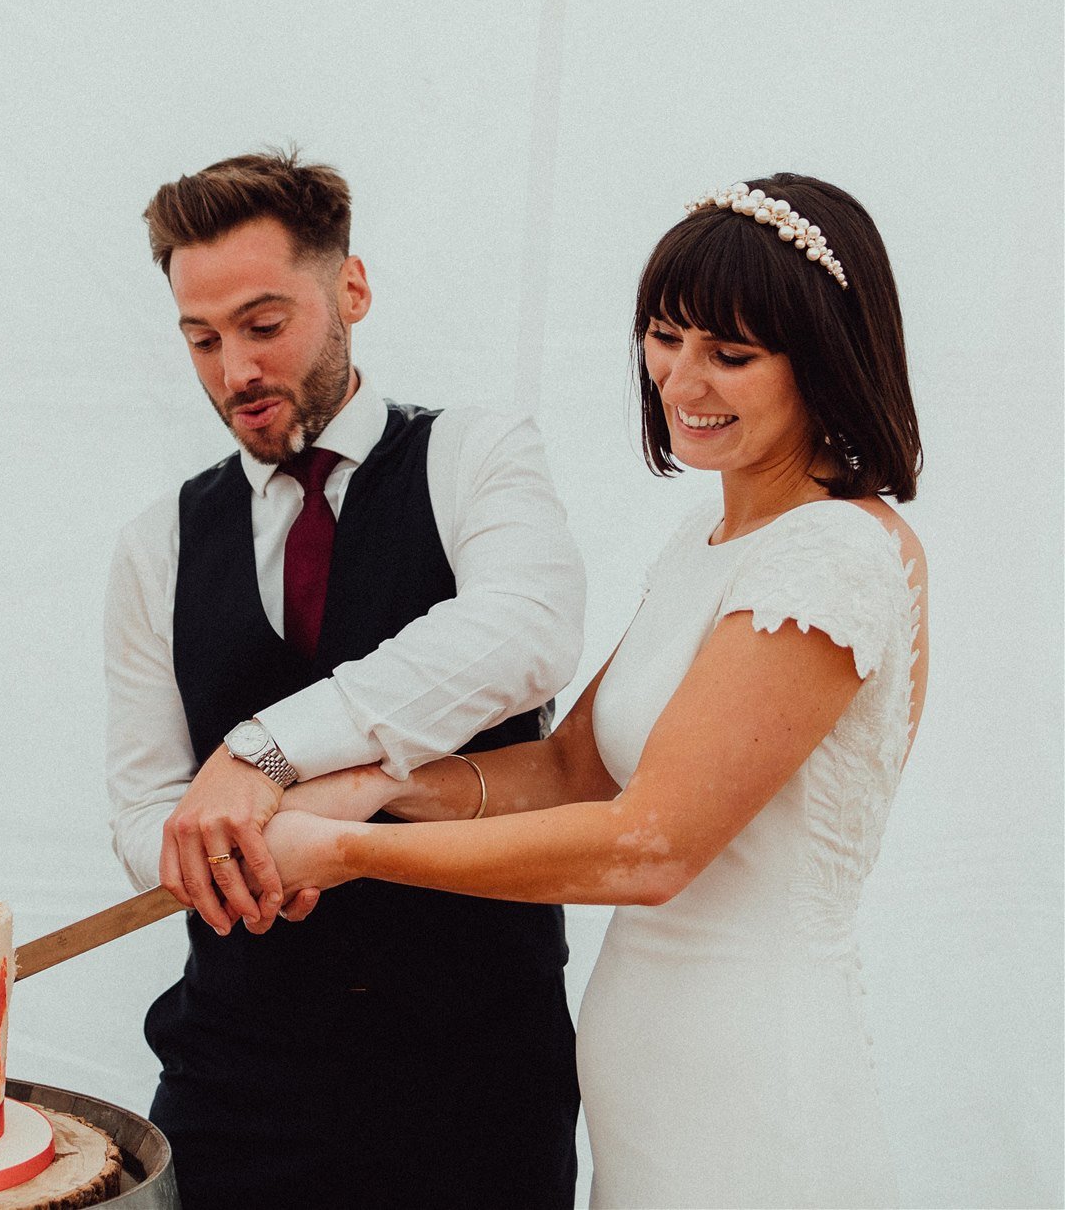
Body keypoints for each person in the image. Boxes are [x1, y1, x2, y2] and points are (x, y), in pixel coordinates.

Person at [265, 173, 926, 1208]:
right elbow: (570, 766)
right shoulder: (711, 543)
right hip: (649, 1082)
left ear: (826, 363)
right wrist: (366, 783)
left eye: (731, 354)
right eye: (665, 337)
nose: (681, 379)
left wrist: (350, 852)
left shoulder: (829, 557)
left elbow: (648, 845)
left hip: (750, 1090)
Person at [103, 149, 589, 1208]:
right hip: (238, 1075)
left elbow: (524, 630)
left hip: (478, 1071)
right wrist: (237, 851)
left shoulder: (474, 454)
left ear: (349, 290)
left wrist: (260, 753)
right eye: (201, 339)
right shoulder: (157, 547)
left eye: (262, 325)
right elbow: (145, 809)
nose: (233, 370)